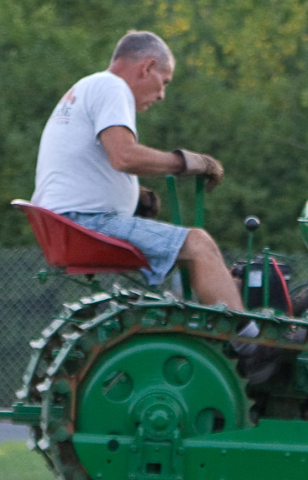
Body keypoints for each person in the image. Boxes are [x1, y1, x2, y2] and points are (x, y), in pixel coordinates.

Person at [32, 30, 244, 310]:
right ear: (147, 67)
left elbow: (82, 160)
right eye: (163, 82)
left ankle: (210, 313)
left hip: (66, 223)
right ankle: (249, 341)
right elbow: (124, 156)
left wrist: (132, 193)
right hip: (86, 223)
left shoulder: (87, 87)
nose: (162, 95)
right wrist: (188, 163)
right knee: (198, 243)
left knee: (187, 252)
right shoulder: (112, 87)